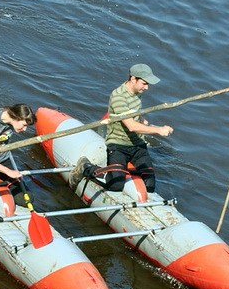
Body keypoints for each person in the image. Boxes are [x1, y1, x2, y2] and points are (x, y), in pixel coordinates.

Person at [68, 63, 173, 194]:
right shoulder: (118, 96)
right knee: (115, 185)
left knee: (150, 185)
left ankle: (124, 171)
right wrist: (159, 130)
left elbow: (134, 113)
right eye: (144, 83)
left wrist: (141, 119)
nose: (147, 88)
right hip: (118, 145)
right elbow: (131, 126)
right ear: (133, 79)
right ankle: (86, 168)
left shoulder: (137, 92)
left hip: (137, 144)